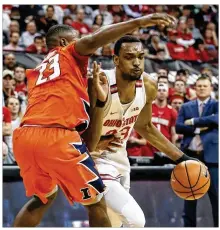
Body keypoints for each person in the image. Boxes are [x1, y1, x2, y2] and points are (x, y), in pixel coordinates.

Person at [12, 13, 178, 227]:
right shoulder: (67, 54)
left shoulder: (41, 71)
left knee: (42, 199)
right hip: (55, 135)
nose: (83, 41)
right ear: (64, 42)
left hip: (25, 138)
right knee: (97, 202)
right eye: (77, 38)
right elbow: (93, 40)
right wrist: (139, 23)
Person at [87, 35, 199, 227]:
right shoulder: (99, 81)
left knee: (113, 224)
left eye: (141, 56)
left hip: (120, 160)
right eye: (130, 57)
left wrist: (183, 159)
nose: (137, 62)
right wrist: (92, 143)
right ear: (116, 60)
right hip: (95, 159)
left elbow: (145, 126)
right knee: (136, 221)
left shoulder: (148, 85)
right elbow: (73, 124)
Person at [176, 74, 218, 227]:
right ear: (195, 88)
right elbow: (179, 126)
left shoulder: (216, 104)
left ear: (210, 88)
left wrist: (194, 122)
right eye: (199, 86)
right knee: (189, 198)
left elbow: (217, 119)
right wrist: (201, 128)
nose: (201, 88)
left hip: (213, 159)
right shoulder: (186, 106)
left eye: (204, 86)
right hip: (191, 158)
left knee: (216, 198)